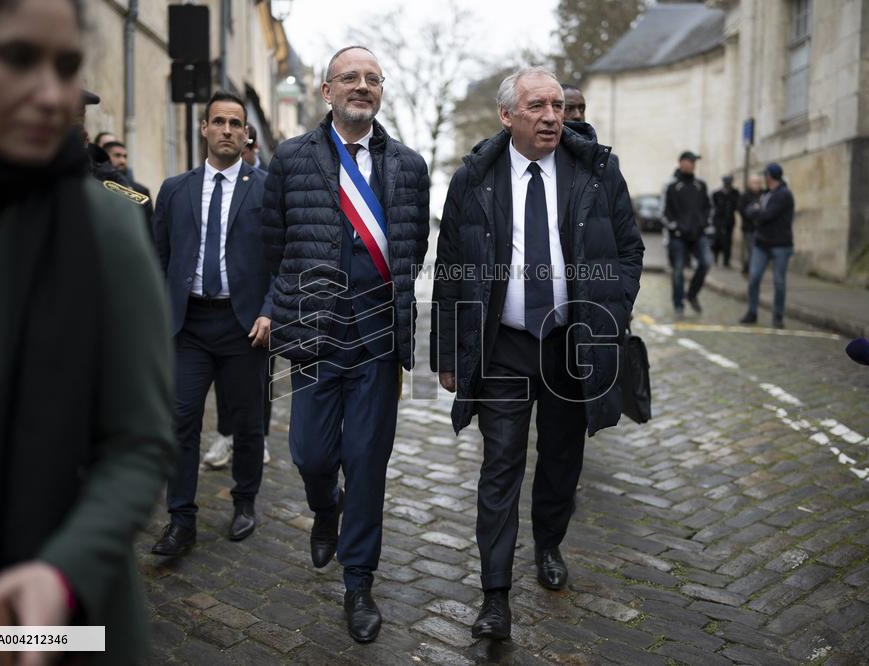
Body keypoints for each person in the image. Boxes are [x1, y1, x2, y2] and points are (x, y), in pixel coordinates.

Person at [0, 1, 174, 663]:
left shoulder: (106, 225)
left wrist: (63, 572)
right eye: (17, 58)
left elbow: (140, 442)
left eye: (68, 66)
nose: (54, 94)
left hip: (46, 626)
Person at [431, 66, 644, 640]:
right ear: (507, 116)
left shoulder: (596, 171)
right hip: (504, 347)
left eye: (556, 105)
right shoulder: (474, 178)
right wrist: (450, 353)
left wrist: (611, 311)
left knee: (560, 460)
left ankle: (549, 543)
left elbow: (629, 250)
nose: (552, 116)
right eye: (536, 107)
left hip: (572, 344)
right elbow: (450, 270)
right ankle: (495, 595)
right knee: (500, 464)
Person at [263, 45, 429, 643]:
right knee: (311, 455)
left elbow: (412, 248)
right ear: (327, 91)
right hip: (313, 335)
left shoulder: (410, 166)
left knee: (366, 463)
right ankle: (324, 509)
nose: (362, 86)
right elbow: (273, 243)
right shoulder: (291, 158)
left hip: (377, 340)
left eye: (372, 79)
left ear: (380, 92)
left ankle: (358, 582)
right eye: (349, 78)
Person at [151, 91, 274, 556]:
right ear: (203, 128)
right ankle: (181, 518)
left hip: (246, 326)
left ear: (246, 134)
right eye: (218, 121)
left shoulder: (264, 188)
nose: (227, 129)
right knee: (181, 419)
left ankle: (244, 501)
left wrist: (269, 309)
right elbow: (160, 257)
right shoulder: (175, 189)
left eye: (235, 123)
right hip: (189, 326)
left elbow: (280, 260)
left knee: (247, 423)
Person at [739, 163, 794, 328]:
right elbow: (748, 211)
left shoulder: (783, 195)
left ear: (770, 176)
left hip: (780, 245)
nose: (764, 178)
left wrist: (757, 211)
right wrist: (756, 210)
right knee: (754, 277)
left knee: (779, 282)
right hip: (761, 243)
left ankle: (778, 316)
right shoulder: (766, 194)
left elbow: (767, 215)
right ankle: (752, 311)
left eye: (766, 175)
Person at [662, 150, 711, 316]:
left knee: (706, 262)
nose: (692, 164)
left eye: (694, 162)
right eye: (690, 161)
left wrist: (704, 224)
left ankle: (692, 295)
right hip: (677, 237)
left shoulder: (701, 185)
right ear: (682, 162)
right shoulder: (670, 185)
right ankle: (678, 305)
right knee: (678, 271)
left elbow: (708, 208)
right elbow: (663, 212)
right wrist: (675, 227)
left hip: (698, 234)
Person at [711, 175, 740, 267]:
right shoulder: (717, 193)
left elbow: (736, 205)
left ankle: (726, 260)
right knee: (717, 239)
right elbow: (715, 204)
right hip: (719, 220)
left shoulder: (735, 193)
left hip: (729, 220)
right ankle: (715, 257)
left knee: (728, 241)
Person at [738, 174, 763, 276]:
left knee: (758, 251)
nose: (756, 185)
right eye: (754, 182)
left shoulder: (763, 194)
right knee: (752, 250)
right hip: (749, 228)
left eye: (758, 183)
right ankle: (751, 271)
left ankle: (748, 268)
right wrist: (752, 210)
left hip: (761, 228)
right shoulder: (745, 196)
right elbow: (741, 210)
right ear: (749, 184)